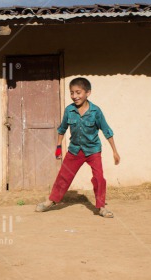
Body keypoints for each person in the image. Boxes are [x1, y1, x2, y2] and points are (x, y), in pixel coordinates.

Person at [35, 77, 120, 218]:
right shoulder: (69, 110)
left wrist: (115, 152)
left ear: (88, 93)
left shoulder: (96, 112)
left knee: (99, 178)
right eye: (72, 93)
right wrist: (58, 147)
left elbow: (107, 131)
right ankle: (50, 201)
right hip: (74, 150)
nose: (75, 96)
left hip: (93, 150)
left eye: (78, 92)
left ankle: (102, 207)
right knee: (63, 176)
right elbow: (62, 129)